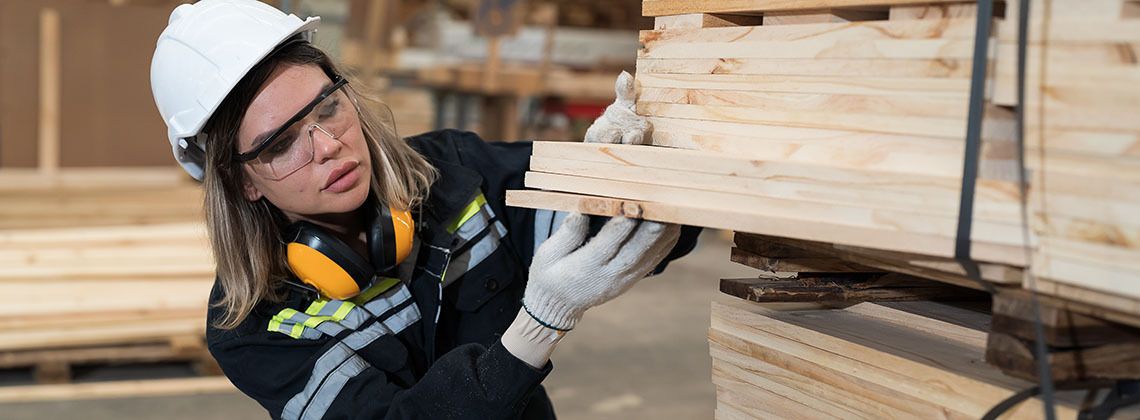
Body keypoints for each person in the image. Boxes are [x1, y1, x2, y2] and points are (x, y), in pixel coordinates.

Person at [149, 1, 699, 419]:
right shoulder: (256, 327)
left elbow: (604, 226)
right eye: (280, 144)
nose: (327, 146)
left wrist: (623, 173)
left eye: (327, 108)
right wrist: (537, 326)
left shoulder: (457, 175)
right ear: (240, 181)